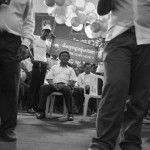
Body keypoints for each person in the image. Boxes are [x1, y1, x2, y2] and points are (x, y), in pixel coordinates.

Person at [89, 1, 150, 150]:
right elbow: (102, 10)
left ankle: (131, 143)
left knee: (139, 95)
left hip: (147, 39)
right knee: (115, 87)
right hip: (118, 38)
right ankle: (103, 142)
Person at [0, 0, 35, 141]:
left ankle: (7, 128)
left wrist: (26, 43)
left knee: (10, 86)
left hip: (12, 41)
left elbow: (29, 20)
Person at [36, 51, 76, 121]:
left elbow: (72, 81)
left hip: (64, 86)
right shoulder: (54, 67)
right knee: (43, 87)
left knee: (68, 90)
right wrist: (53, 85)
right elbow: (49, 79)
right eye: (63, 56)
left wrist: (65, 85)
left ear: (69, 58)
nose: (65, 57)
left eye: (66, 56)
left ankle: (70, 113)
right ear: (60, 57)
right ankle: (41, 111)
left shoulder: (71, 69)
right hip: (53, 85)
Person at [27, 25, 52, 113]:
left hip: (44, 64)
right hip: (36, 63)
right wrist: (31, 56)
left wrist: (54, 40)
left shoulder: (49, 42)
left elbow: (52, 52)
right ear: (42, 31)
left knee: (40, 86)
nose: (47, 33)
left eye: (48, 32)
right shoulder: (35, 38)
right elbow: (26, 45)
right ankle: (29, 106)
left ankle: (36, 106)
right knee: (33, 85)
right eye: (45, 31)